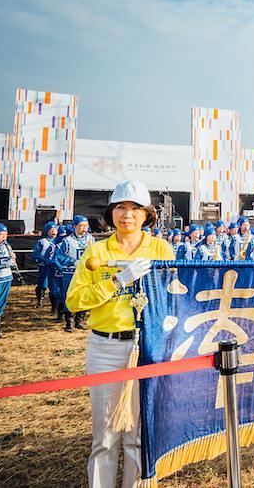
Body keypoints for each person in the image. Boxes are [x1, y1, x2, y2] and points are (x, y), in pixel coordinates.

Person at [66, 181, 172, 488]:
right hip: (105, 349)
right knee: (105, 436)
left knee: (138, 435)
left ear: (147, 215)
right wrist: (116, 281)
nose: (127, 215)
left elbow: (175, 294)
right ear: (111, 212)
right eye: (121, 207)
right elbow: (74, 300)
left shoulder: (161, 249)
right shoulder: (97, 251)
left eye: (135, 209)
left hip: (148, 347)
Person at [54, 215, 95, 332]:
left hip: (85, 273)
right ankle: (69, 323)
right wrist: (73, 261)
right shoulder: (67, 241)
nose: (84, 228)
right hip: (70, 273)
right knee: (70, 295)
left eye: (86, 226)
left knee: (84, 295)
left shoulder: (90, 239)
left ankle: (79, 321)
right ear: (75, 226)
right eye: (81, 226)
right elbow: (59, 256)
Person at [32, 221, 59, 308]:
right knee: (42, 283)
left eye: (55, 229)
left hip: (55, 267)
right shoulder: (42, 241)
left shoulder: (60, 241)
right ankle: (40, 299)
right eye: (51, 230)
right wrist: (43, 260)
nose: (53, 231)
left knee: (56, 285)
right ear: (47, 231)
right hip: (45, 266)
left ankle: (55, 303)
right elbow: (36, 254)